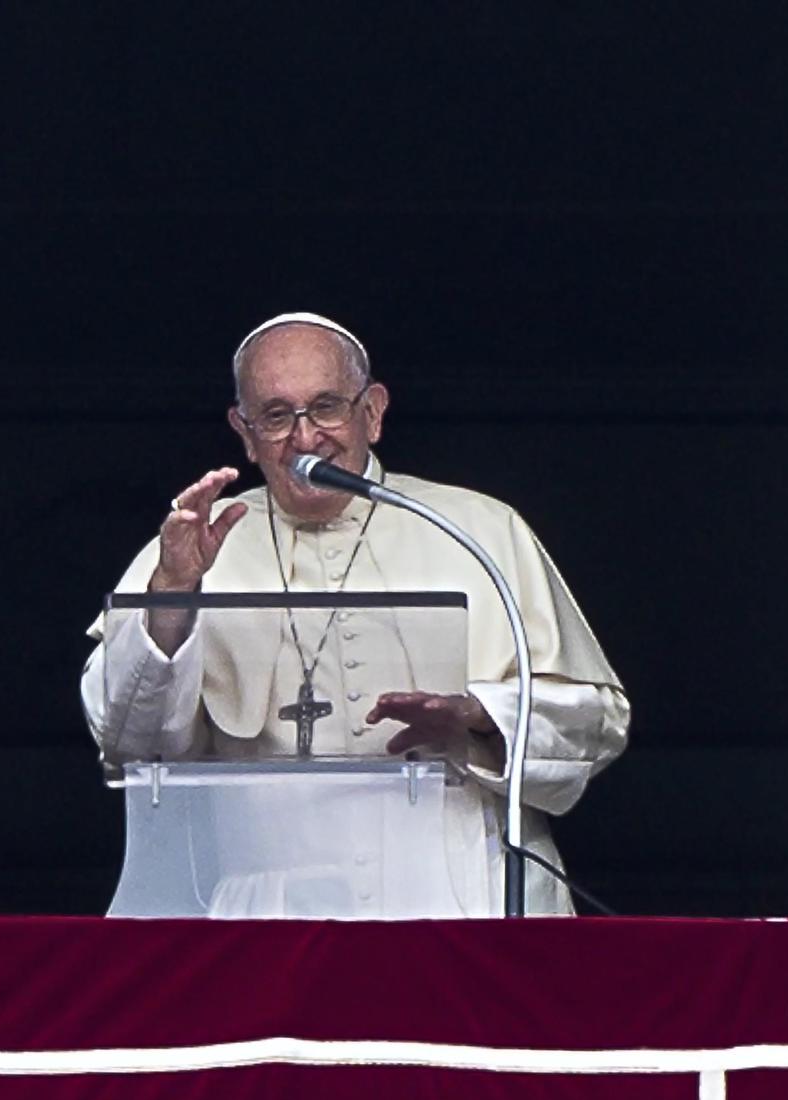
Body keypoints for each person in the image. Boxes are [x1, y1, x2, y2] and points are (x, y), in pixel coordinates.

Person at [81, 312, 628, 916]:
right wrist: (174, 593)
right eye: (276, 416)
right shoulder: (194, 547)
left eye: (326, 407)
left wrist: (478, 718)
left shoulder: (479, 530)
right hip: (271, 916)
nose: (306, 437)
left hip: (461, 898)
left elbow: (596, 724)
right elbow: (131, 742)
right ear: (244, 431)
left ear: (372, 412)